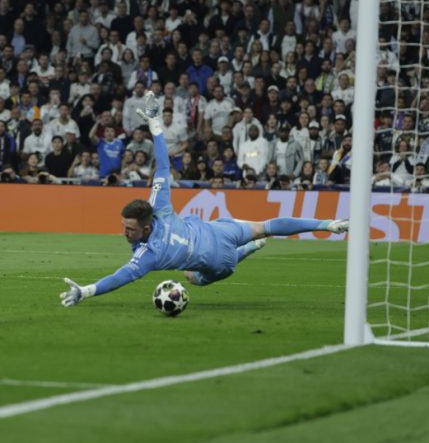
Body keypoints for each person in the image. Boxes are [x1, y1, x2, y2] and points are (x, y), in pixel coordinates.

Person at [60, 92, 349, 307]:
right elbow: (162, 163)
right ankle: (327, 224)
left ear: (146, 228)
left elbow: (120, 277)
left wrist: (86, 291)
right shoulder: (158, 206)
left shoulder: (150, 255)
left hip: (218, 260)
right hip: (218, 228)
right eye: (124, 226)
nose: (125, 233)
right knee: (265, 225)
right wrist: (156, 123)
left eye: (130, 229)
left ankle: (250, 249)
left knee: (192, 278)